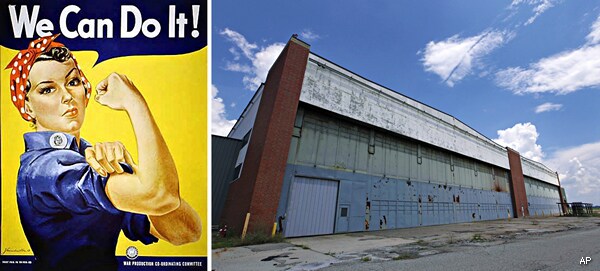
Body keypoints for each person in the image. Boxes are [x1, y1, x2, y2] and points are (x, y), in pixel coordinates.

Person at [6, 34, 202, 271]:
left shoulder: (86, 159)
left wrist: (132, 171)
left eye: (73, 82)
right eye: (47, 90)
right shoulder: (45, 169)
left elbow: (187, 232)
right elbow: (161, 196)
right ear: (27, 106)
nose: (67, 96)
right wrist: (135, 103)